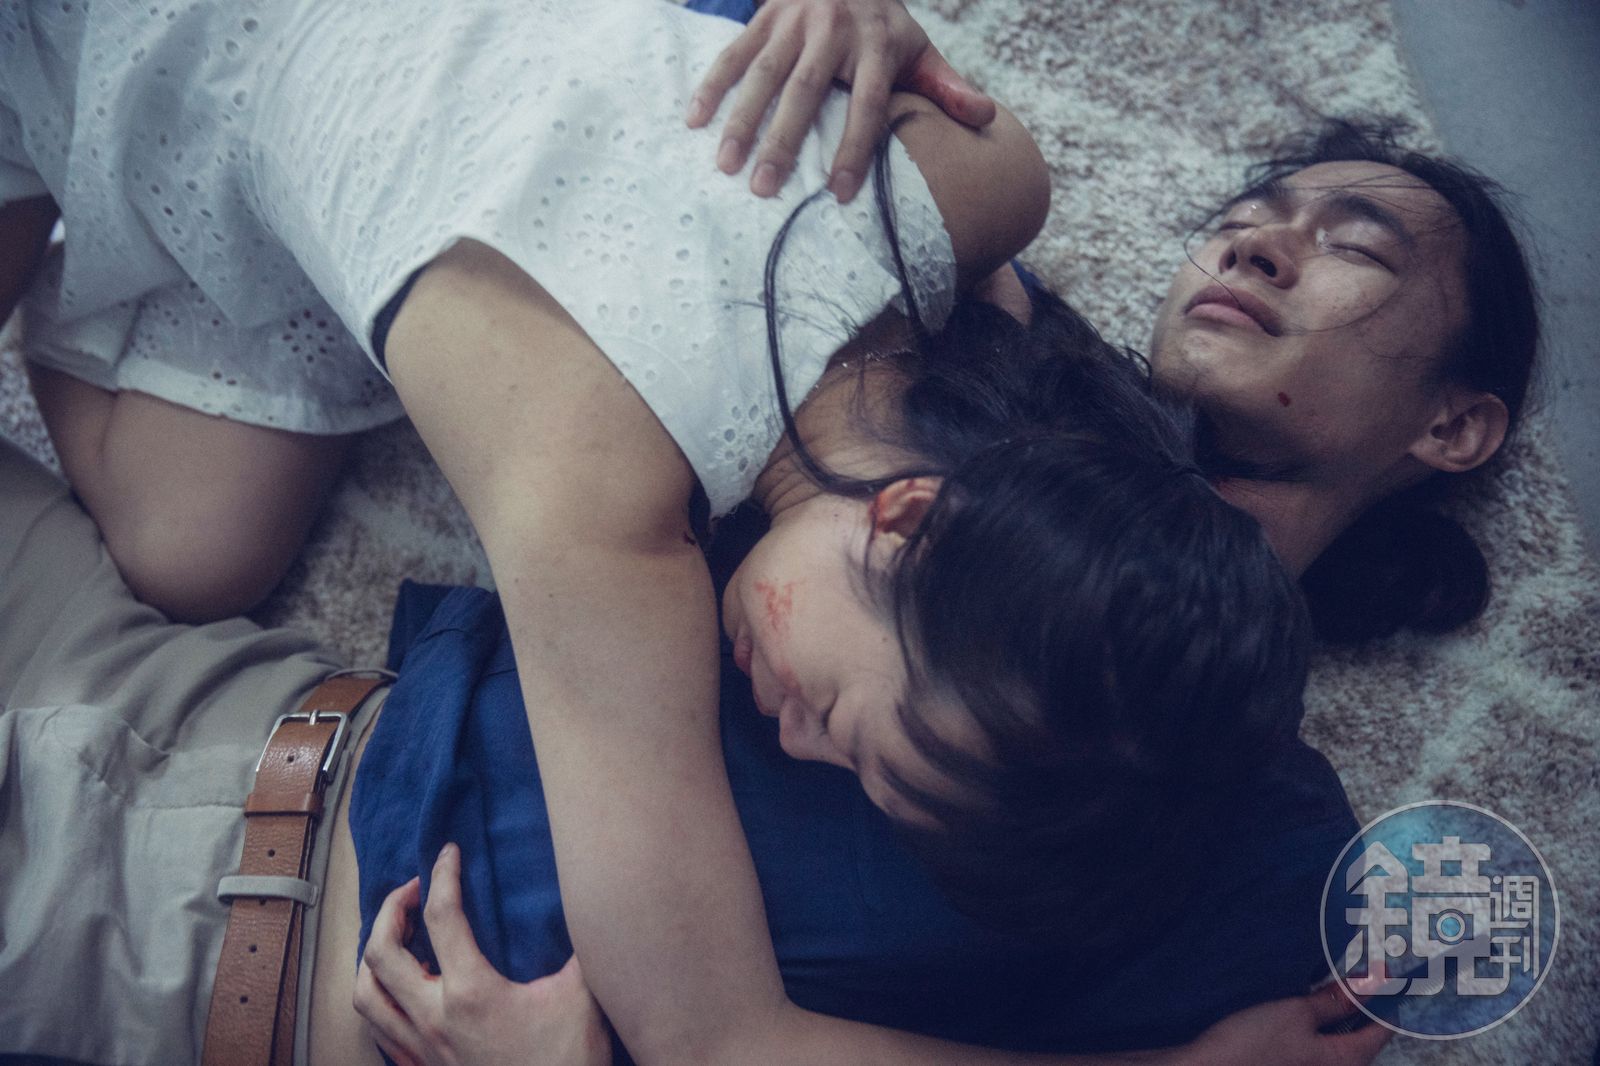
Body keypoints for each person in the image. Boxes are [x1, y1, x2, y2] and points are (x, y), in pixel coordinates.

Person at [0, 1, 1334, 1063]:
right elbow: (717, 1033)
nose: (794, 744)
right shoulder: (600, 516)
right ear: (910, 520)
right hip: (132, 36)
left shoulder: (980, 182)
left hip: (311, 163)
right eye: (843, 725)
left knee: (190, 550)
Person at [0, 432, 1386, 1066]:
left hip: (152, 950)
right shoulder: (923, 489)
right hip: (194, 675)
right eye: (842, 723)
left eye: (867, 765)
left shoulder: (1203, 877)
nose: (798, 737)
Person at [687, 0, 1540, 646]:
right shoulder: (1011, 333)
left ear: (1454, 426)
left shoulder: (1232, 758)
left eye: (1354, 249)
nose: (1254, 247)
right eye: (1241, 218)